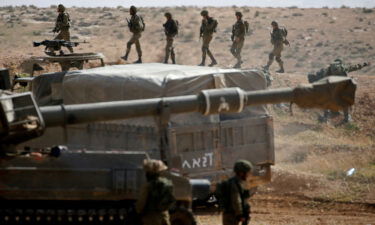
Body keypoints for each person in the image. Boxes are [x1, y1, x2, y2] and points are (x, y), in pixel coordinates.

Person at [310, 59, 370, 123]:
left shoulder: (329, 69)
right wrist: (365, 64)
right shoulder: (343, 67)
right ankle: (347, 119)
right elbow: (355, 67)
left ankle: (325, 118)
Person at [136, 159, 175, 225]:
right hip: (164, 216)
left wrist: (138, 211)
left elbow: (141, 203)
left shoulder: (148, 186)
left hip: (151, 217)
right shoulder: (166, 183)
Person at [221, 160, 253, 225]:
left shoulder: (240, 183)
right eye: (247, 173)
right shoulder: (234, 184)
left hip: (233, 214)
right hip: (231, 215)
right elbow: (236, 200)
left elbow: (243, 199)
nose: (248, 175)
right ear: (241, 173)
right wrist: (240, 214)